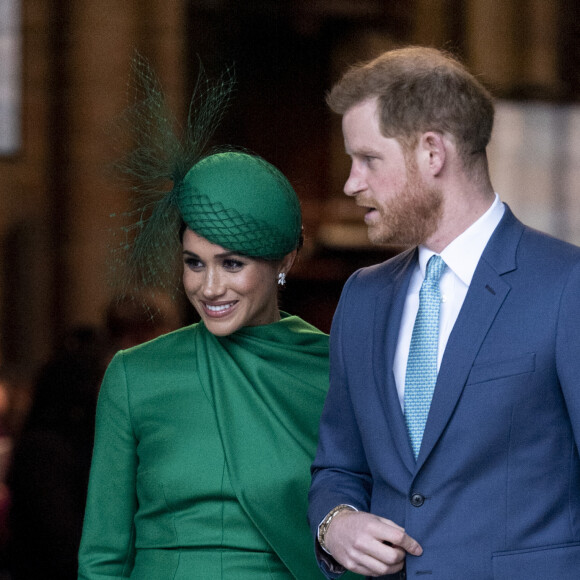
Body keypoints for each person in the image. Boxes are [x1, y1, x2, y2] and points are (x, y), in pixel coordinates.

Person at [308, 45, 580, 579]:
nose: (350, 182)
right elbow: (338, 466)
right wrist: (334, 523)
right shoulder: (361, 297)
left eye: (367, 159)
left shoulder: (566, 285)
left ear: (432, 152)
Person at [78, 58, 330, 580]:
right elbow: (102, 554)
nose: (208, 287)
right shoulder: (134, 375)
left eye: (232, 264)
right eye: (194, 263)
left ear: (284, 261)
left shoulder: (333, 370)